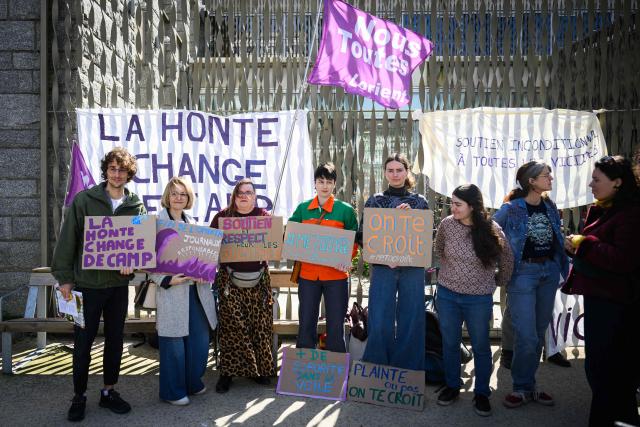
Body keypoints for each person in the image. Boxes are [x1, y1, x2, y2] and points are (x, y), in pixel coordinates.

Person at [52, 147, 146, 422]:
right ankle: (79, 396)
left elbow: (139, 244)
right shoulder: (85, 200)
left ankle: (108, 392)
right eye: (113, 168)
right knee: (83, 344)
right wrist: (65, 279)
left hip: (117, 287)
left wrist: (133, 262)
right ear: (105, 170)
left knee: (115, 341)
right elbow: (68, 240)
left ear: (129, 174)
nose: (117, 174)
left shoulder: (135, 205)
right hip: (87, 286)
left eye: (123, 170)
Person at [562, 155, 640, 427]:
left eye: (597, 180)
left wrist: (584, 244)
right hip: (601, 300)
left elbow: (624, 259)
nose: (590, 184)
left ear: (617, 182)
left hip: (616, 307)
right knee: (601, 371)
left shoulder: (630, 213)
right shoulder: (605, 208)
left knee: (609, 374)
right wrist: (577, 246)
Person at [493, 160, 570, 409]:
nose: (551, 179)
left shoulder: (549, 205)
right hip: (523, 274)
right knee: (525, 335)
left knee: (537, 334)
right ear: (531, 181)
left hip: (548, 272)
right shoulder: (512, 208)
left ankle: (529, 385)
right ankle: (520, 387)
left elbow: (554, 235)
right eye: (547, 175)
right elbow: (491, 231)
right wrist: (500, 255)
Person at [434, 184, 514, 416]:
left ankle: (481, 393)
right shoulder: (447, 225)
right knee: (449, 342)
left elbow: (507, 258)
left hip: (478, 299)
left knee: (480, 345)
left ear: (472, 206)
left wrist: (498, 281)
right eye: (452, 203)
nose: (453, 208)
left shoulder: (491, 228)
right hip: (448, 294)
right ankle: (452, 386)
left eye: (458, 204)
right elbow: (439, 250)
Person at [149, 177, 218, 406]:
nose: (178, 198)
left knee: (199, 342)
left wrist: (204, 271)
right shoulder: (155, 223)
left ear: (189, 198)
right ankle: (172, 391)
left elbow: (204, 259)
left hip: (197, 292)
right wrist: (168, 279)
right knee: (173, 343)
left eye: (183, 194)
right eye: (174, 193)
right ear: (167, 196)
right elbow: (147, 262)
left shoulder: (193, 222)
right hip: (173, 291)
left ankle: (191, 381)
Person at [357, 153, 429, 371]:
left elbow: (425, 237)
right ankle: (377, 367)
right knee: (379, 317)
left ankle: (408, 370)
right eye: (391, 170)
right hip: (383, 269)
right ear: (385, 173)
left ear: (407, 172)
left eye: (399, 170)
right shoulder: (375, 200)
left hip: (412, 269)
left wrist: (410, 217)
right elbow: (363, 236)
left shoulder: (419, 202)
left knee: (411, 317)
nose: (395, 174)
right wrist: (384, 256)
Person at [210, 178, 275, 393]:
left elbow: (274, 245)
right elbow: (210, 247)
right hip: (230, 281)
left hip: (258, 281)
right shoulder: (222, 217)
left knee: (259, 327)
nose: (244, 196)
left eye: (249, 192)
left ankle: (260, 371)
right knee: (231, 328)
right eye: (240, 193)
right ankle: (227, 373)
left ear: (255, 196)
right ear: (234, 196)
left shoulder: (264, 217)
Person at [289, 162, 358, 353]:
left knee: (336, 325)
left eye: (329, 181)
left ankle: (336, 372)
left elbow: (354, 240)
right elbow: (291, 235)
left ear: (335, 183)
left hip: (336, 276)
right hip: (309, 276)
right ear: (315, 183)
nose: (325, 186)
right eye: (321, 181)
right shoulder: (302, 209)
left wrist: (348, 257)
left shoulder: (346, 210)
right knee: (306, 323)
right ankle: (302, 367)